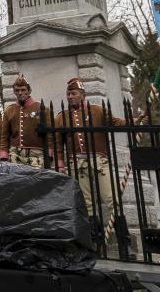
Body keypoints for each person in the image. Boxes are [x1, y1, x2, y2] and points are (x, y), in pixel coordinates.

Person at [51, 77, 130, 239]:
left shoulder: (98, 111)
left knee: (111, 198)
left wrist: (134, 122)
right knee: (86, 203)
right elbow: (58, 144)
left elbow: (115, 122)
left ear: (82, 95)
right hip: (77, 164)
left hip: (100, 161)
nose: (70, 96)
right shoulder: (61, 117)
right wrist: (60, 164)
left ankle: (124, 239)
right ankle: (95, 236)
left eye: (73, 93)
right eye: (68, 94)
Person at [0, 75, 46, 167]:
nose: (20, 93)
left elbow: (49, 136)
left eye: (23, 90)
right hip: (14, 155)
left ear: (29, 91)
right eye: (17, 90)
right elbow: (4, 136)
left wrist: (49, 155)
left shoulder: (40, 108)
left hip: (36, 156)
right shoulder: (9, 110)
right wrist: (3, 155)